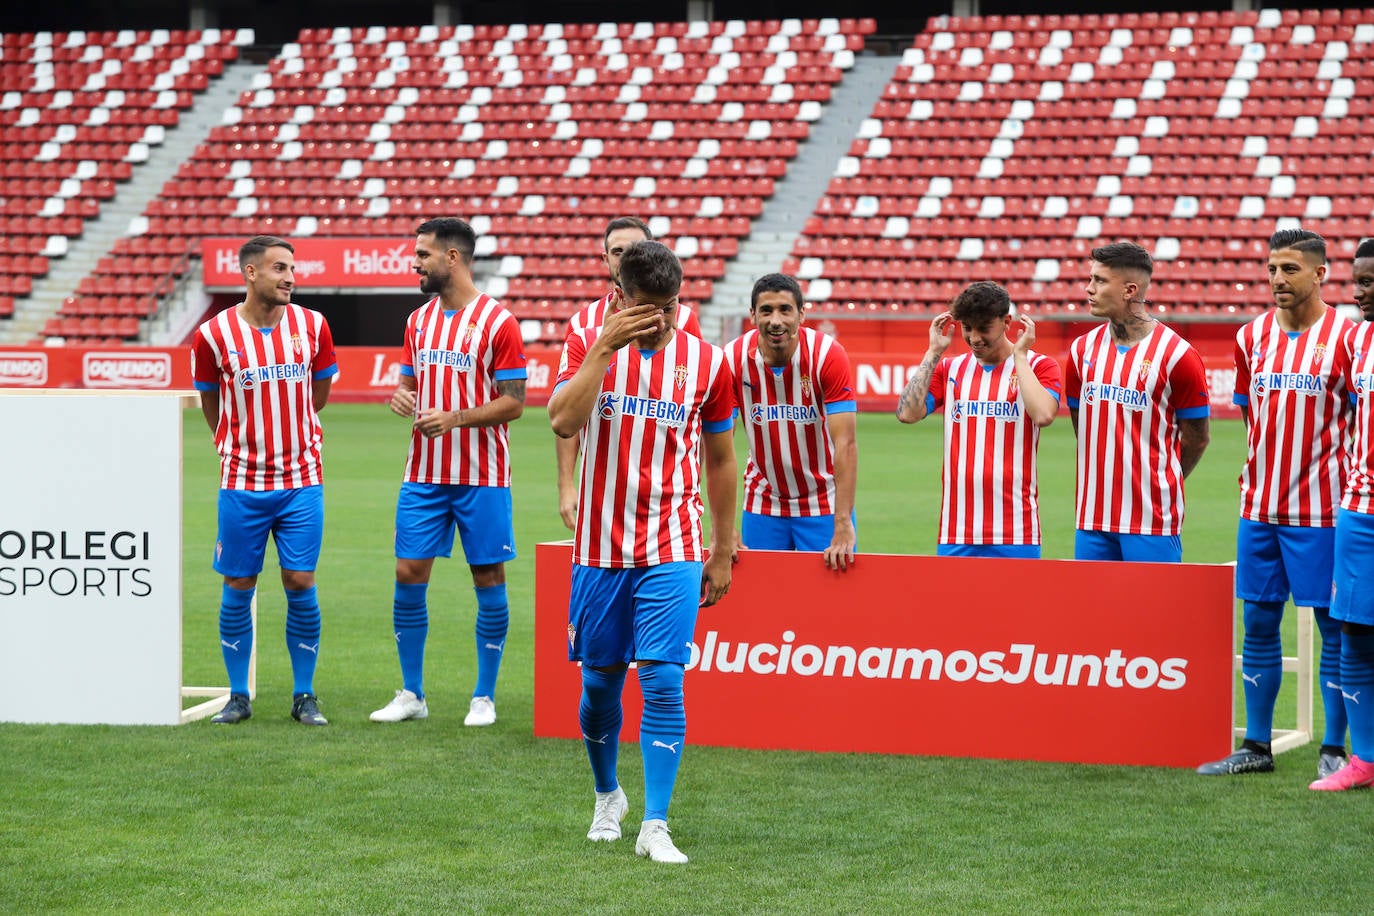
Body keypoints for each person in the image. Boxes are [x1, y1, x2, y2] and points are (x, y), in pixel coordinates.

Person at [548, 240, 736, 864]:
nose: (663, 317)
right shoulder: (585, 340)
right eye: (649, 306)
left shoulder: (707, 364)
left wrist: (723, 547)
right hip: (599, 548)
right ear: (622, 297)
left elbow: (720, 458)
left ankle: (656, 823)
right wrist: (605, 345)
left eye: (673, 304)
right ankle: (608, 795)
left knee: (661, 678)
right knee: (600, 687)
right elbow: (561, 421)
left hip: (673, 543)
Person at [1199, 229, 1354, 778]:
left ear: (1320, 275)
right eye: (1271, 269)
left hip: (1326, 512)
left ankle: (1335, 746)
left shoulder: (1350, 337)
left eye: (1290, 269)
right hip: (1260, 508)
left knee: (1334, 628)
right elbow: (1252, 417)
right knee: (1259, 622)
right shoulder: (1250, 338)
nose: (1277, 279)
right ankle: (1257, 746)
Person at [369, 217, 527, 728]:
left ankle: (484, 696)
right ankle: (412, 692)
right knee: (407, 573)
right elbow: (408, 384)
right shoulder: (417, 322)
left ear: (452, 258)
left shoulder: (498, 322)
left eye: (422, 255)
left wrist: (456, 417)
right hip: (423, 473)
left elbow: (515, 403)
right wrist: (400, 396)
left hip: (482, 475)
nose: (414, 263)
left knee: (487, 577)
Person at [191, 235, 338, 726]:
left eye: (292, 268)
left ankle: (304, 695)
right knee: (238, 582)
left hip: (302, 478)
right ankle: (238, 695)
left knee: (300, 581)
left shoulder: (313, 326)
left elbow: (319, 393)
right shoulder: (213, 335)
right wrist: (236, 443)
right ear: (250, 273)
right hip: (241, 482)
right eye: (279, 268)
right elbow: (209, 401)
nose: (290, 277)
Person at [1064, 241, 1211, 562]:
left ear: (1130, 289)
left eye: (1099, 281)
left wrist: (1158, 480)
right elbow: (1083, 427)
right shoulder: (1080, 351)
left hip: (1151, 521)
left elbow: (1198, 438)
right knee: (1094, 613)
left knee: (1153, 613)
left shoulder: (1178, 355)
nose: (1089, 288)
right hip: (1092, 518)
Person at [556, 217, 703, 531]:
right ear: (606, 258)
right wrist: (566, 483)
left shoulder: (683, 319)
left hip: (665, 486)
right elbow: (569, 406)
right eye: (618, 251)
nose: (625, 258)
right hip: (606, 484)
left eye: (634, 249)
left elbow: (694, 410)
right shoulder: (583, 325)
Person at [896, 280, 1060, 557]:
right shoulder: (950, 368)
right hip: (956, 528)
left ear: (1007, 321)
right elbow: (907, 414)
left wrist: (1019, 355)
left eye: (984, 328)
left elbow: (1044, 415)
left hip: (1016, 530)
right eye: (967, 328)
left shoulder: (1040, 366)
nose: (974, 338)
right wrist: (933, 352)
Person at [724, 272, 857, 570]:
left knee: (830, 604)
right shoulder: (732, 359)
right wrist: (723, 527)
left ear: (802, 314)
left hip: (823, 498)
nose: (776, 320)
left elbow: (845, 443)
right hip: (763, 498)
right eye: (766, 310)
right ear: (752, 315)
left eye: (785, 310)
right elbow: (721, 447)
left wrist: (844, 521)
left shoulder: (828, 355)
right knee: (763, 602)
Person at [1310, 237, 1374, 790]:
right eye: (1358, 282)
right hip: (1359, 510)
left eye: (1370, 282)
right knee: (1354, 634)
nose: (1361, 293)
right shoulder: (1360, 343)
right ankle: (1364, 761)